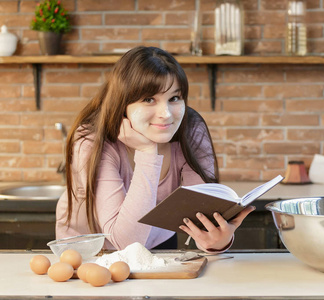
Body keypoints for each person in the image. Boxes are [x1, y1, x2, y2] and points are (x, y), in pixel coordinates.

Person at [55, 46, 255, 253]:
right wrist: (148, 152)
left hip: (155, 244)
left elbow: (203, 217)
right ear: (122, 103)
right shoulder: (92, 140)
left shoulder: (190, 130)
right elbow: (125, 243)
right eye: (149, 99)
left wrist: (217, 241)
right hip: (88, 252)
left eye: (174, 98)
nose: (166, 114)